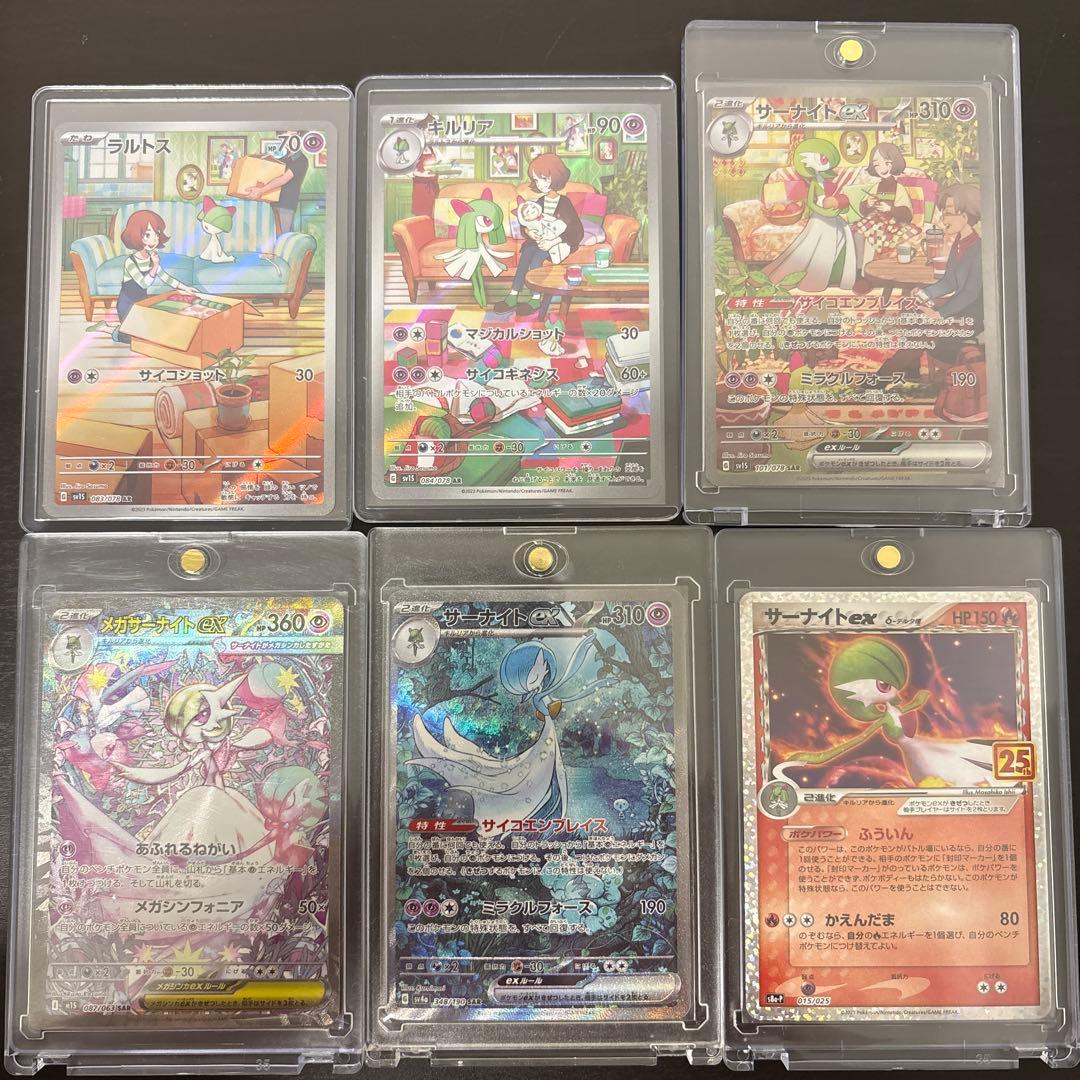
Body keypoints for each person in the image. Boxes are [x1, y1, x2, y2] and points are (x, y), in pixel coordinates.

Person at [878, 184, 983, 381]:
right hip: (958, 309)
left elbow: (970, 293)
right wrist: (925, 294)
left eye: (948, 213)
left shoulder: (979, 249)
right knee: (911, 308)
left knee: (923, 328)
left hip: (972, 316)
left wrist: (939, 314)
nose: (943, 219)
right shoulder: (959, 243)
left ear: (965, 216)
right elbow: (950, 281)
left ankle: (883, 376)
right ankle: (911, 368)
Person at [493, 152, 583, 316]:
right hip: (537, 241)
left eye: (543, 178)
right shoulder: (539, 202)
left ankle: (535, 298)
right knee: (526, 255)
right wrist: (529, 232)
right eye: (536, 179)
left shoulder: (564, 203)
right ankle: (513, 295)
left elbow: (576, 231)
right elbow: (526, 223)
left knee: (536, 259)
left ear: (556, 176)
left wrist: (553, 241)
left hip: (556, 243)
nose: (539, 184)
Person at [765, 138, 856, 293]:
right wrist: (823, 212)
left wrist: (838, 208)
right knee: (822, 236)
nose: (820, 163)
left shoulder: (831, 180)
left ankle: (835, 275)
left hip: (832, 214)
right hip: (819, 216)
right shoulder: (814, 183)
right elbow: (810, 203)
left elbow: (840, 201)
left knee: (843, 232)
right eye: (814, 160)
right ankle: (813, 278)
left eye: (823, 159)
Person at [112, 209, 196, 343]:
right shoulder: (130, 262)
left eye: (156, 234)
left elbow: (166, 277)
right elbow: (143, 284)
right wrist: (155, 266)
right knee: (134, 339)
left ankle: (123, 329)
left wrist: (185, 288)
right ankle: (114, 331)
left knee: (152, 333)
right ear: (135, 235)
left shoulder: (152, 258)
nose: (154, 239)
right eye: (147, 235)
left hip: (142, 303)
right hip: (127, 305)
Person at [850, 141, 922, 291]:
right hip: (874, 221)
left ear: (893, 164)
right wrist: (868, 204)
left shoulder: (899, 188)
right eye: (876, 165)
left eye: (887, 163)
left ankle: (871, 276)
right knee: (858, 233)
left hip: (893, 223)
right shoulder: (875, 187)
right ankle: (859, 272)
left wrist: (890, 208)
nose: (882, 168)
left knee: (871, 234)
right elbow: (863, 210)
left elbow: (907, 214)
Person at [240, 130, 309, 232]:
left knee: (283, 236)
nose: (288, 140)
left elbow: (283, 179)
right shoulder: (282, 158)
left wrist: (261, 190)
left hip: (286, 205)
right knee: (273, 236)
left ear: (299, 136)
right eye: (284, 137)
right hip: (272, 203)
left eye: (292, 136)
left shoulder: (301, 160)